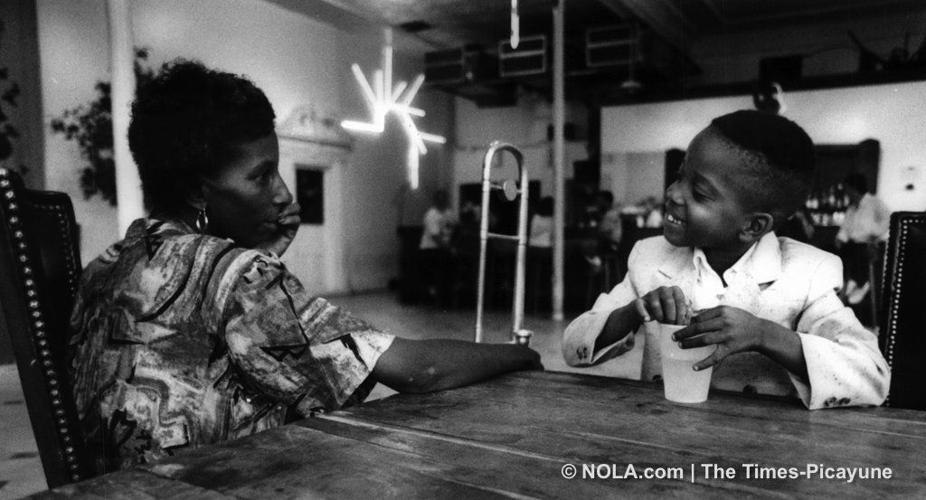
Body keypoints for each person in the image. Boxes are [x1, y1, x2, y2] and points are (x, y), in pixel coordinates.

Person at [68, 60, 541, 472]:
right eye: (260, 175)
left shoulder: (105, 266)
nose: (281, 193)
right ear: (197, 190)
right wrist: (519, 355)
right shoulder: (235, 273)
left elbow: (203, 342)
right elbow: (420, 370)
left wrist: (260, 258)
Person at [562, 110, 889, 410]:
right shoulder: (650, 257)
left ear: (753, 225)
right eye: (680, 176)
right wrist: (633, 312)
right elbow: (573, 346)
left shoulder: (807, 274)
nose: (674, 194)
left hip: (762, 454)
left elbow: (873, 376)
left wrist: (763, 334)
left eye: (700, 193)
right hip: (664, 436)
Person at [835, 173, 891, 311]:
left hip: (871, 244)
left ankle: (860, 284)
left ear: (855, 189)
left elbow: (888, 221)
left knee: (860, 253)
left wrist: (876, 236)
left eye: (848, 189)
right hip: (854, 244)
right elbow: (845, 228)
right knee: (833, 253)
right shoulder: (852, 207)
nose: (846, 193)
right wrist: (839, 239)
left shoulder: (874, 203)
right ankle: (851, 283)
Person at [418, 189, 456, 305]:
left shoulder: (449, 213)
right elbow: (435, 237)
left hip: (444, 248)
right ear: (435, 201)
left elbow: (454, 228)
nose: (442, 201)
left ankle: (448, 296)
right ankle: (438, 298)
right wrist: (450, 248)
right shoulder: (431, 215)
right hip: (430, 249)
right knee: (440, 270)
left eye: (444, 198)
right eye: (439, 198)